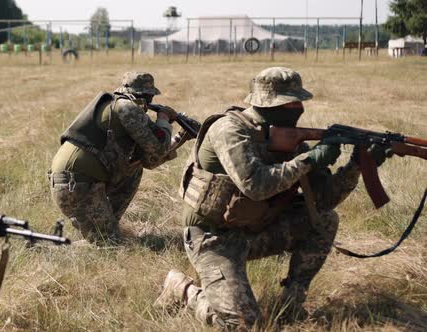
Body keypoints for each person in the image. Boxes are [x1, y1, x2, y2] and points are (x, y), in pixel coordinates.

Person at [154, 67, 391, 329]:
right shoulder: (229, 130)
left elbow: (323, 201)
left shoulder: (289, 140)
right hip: (213, 238)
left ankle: (291, 303)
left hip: (257, 229)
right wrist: (308, 160)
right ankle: (185, 290)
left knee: (324, 220)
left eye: (299, 102)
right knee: (244, 325)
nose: (298, 108)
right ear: (269, 104)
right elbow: (256, 185)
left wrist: (357, 165)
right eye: (291, 103)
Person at [49, 72, 177, 243]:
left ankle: (107, 223)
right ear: (145, 96)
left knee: (134, 168)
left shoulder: (114, 105)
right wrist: (163, 120)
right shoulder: (127, 108)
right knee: (109, 244)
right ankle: (47, 248)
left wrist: (179, 137)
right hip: (77, 185)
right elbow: (158, 149)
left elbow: (147, 160)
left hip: (71, 182)